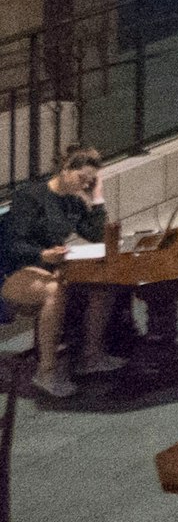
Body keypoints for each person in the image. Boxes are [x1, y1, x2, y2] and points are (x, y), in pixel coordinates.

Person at [0, 144, 114, 394]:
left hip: (54, 268)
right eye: (81, 177)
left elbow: (97, 235)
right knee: (54, 290)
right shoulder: (31, 197)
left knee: (101, 284)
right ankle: (46, 371)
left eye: (90, 180)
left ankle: (91, 357)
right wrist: (42, 254)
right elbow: (13, 245)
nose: (84, 184)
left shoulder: (73, 202)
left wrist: (97, 198)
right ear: (64, 169)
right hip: (18, 273)